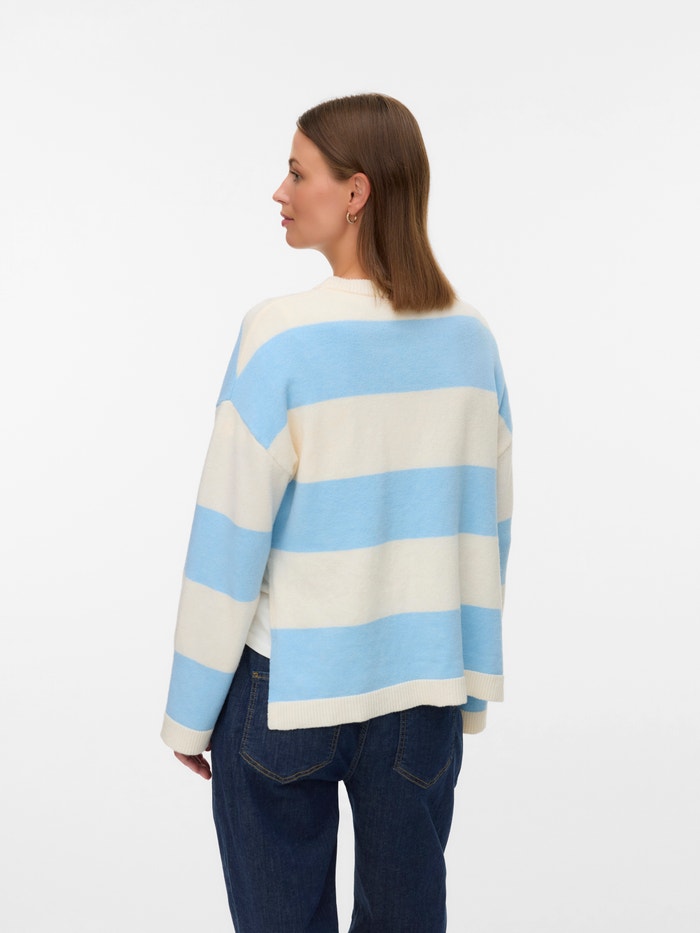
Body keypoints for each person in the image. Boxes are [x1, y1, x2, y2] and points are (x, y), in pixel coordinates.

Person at [161, 92, 513, 933]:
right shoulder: (471, 340)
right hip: (422, 691)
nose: (279, 192)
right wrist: (467, 690)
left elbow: (228, 535)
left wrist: (190, 708)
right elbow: (487, 530)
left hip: (286, 691)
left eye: (297, 172)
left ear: (356, 192)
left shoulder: (280, 335)